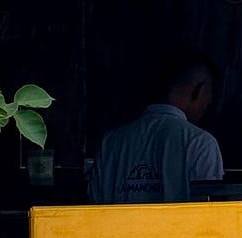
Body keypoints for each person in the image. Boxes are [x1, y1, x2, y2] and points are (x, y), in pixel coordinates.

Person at [89, 53, 225, 205]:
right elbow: (210, 215)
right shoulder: (200, 144)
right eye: (209, 94)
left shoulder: (110, 143)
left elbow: (94, 208)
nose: (208, 104)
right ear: (198, 90)